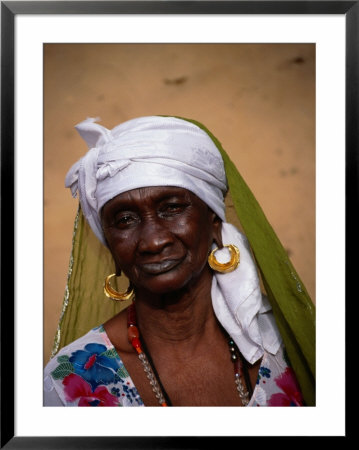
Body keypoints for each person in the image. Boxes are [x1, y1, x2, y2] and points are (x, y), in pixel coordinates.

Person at [44, 115, 315, 407]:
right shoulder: (67, 385)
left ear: (214, 221)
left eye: (172, 208)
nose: (153, 241)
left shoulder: (288, 343)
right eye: (124, 220)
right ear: (109, 245)